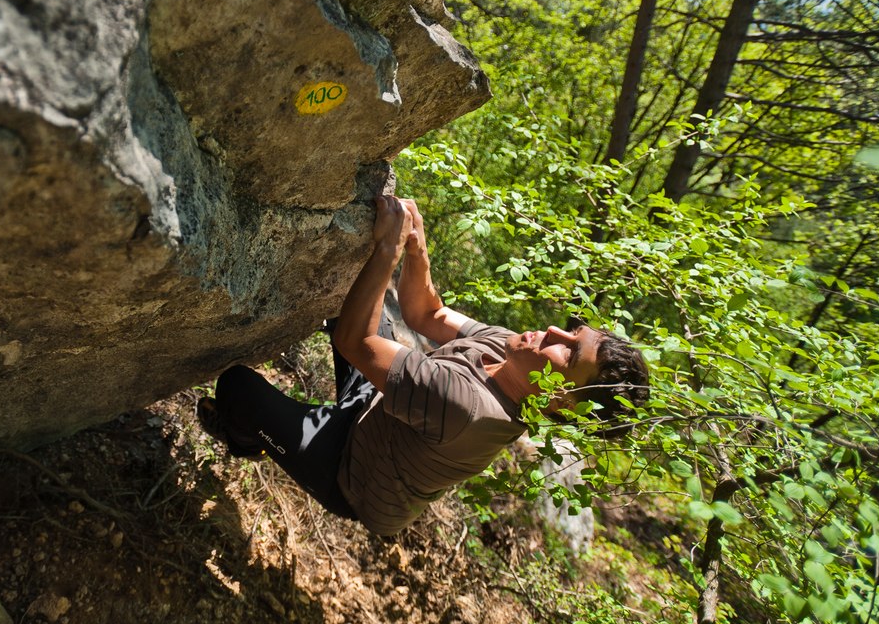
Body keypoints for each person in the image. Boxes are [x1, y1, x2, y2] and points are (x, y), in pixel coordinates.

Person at [198, 195, 649, 536]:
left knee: (237, 387)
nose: (554, 331)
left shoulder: (467, 408)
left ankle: (246, 440)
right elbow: (427, 314)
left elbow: (355, 342)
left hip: (352, 476)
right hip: (375, 411)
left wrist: (386, 253)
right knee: (353, 298)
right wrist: (416, 249)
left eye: (569, 353)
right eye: (573, 331)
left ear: (560, 398)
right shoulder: (511, 350)